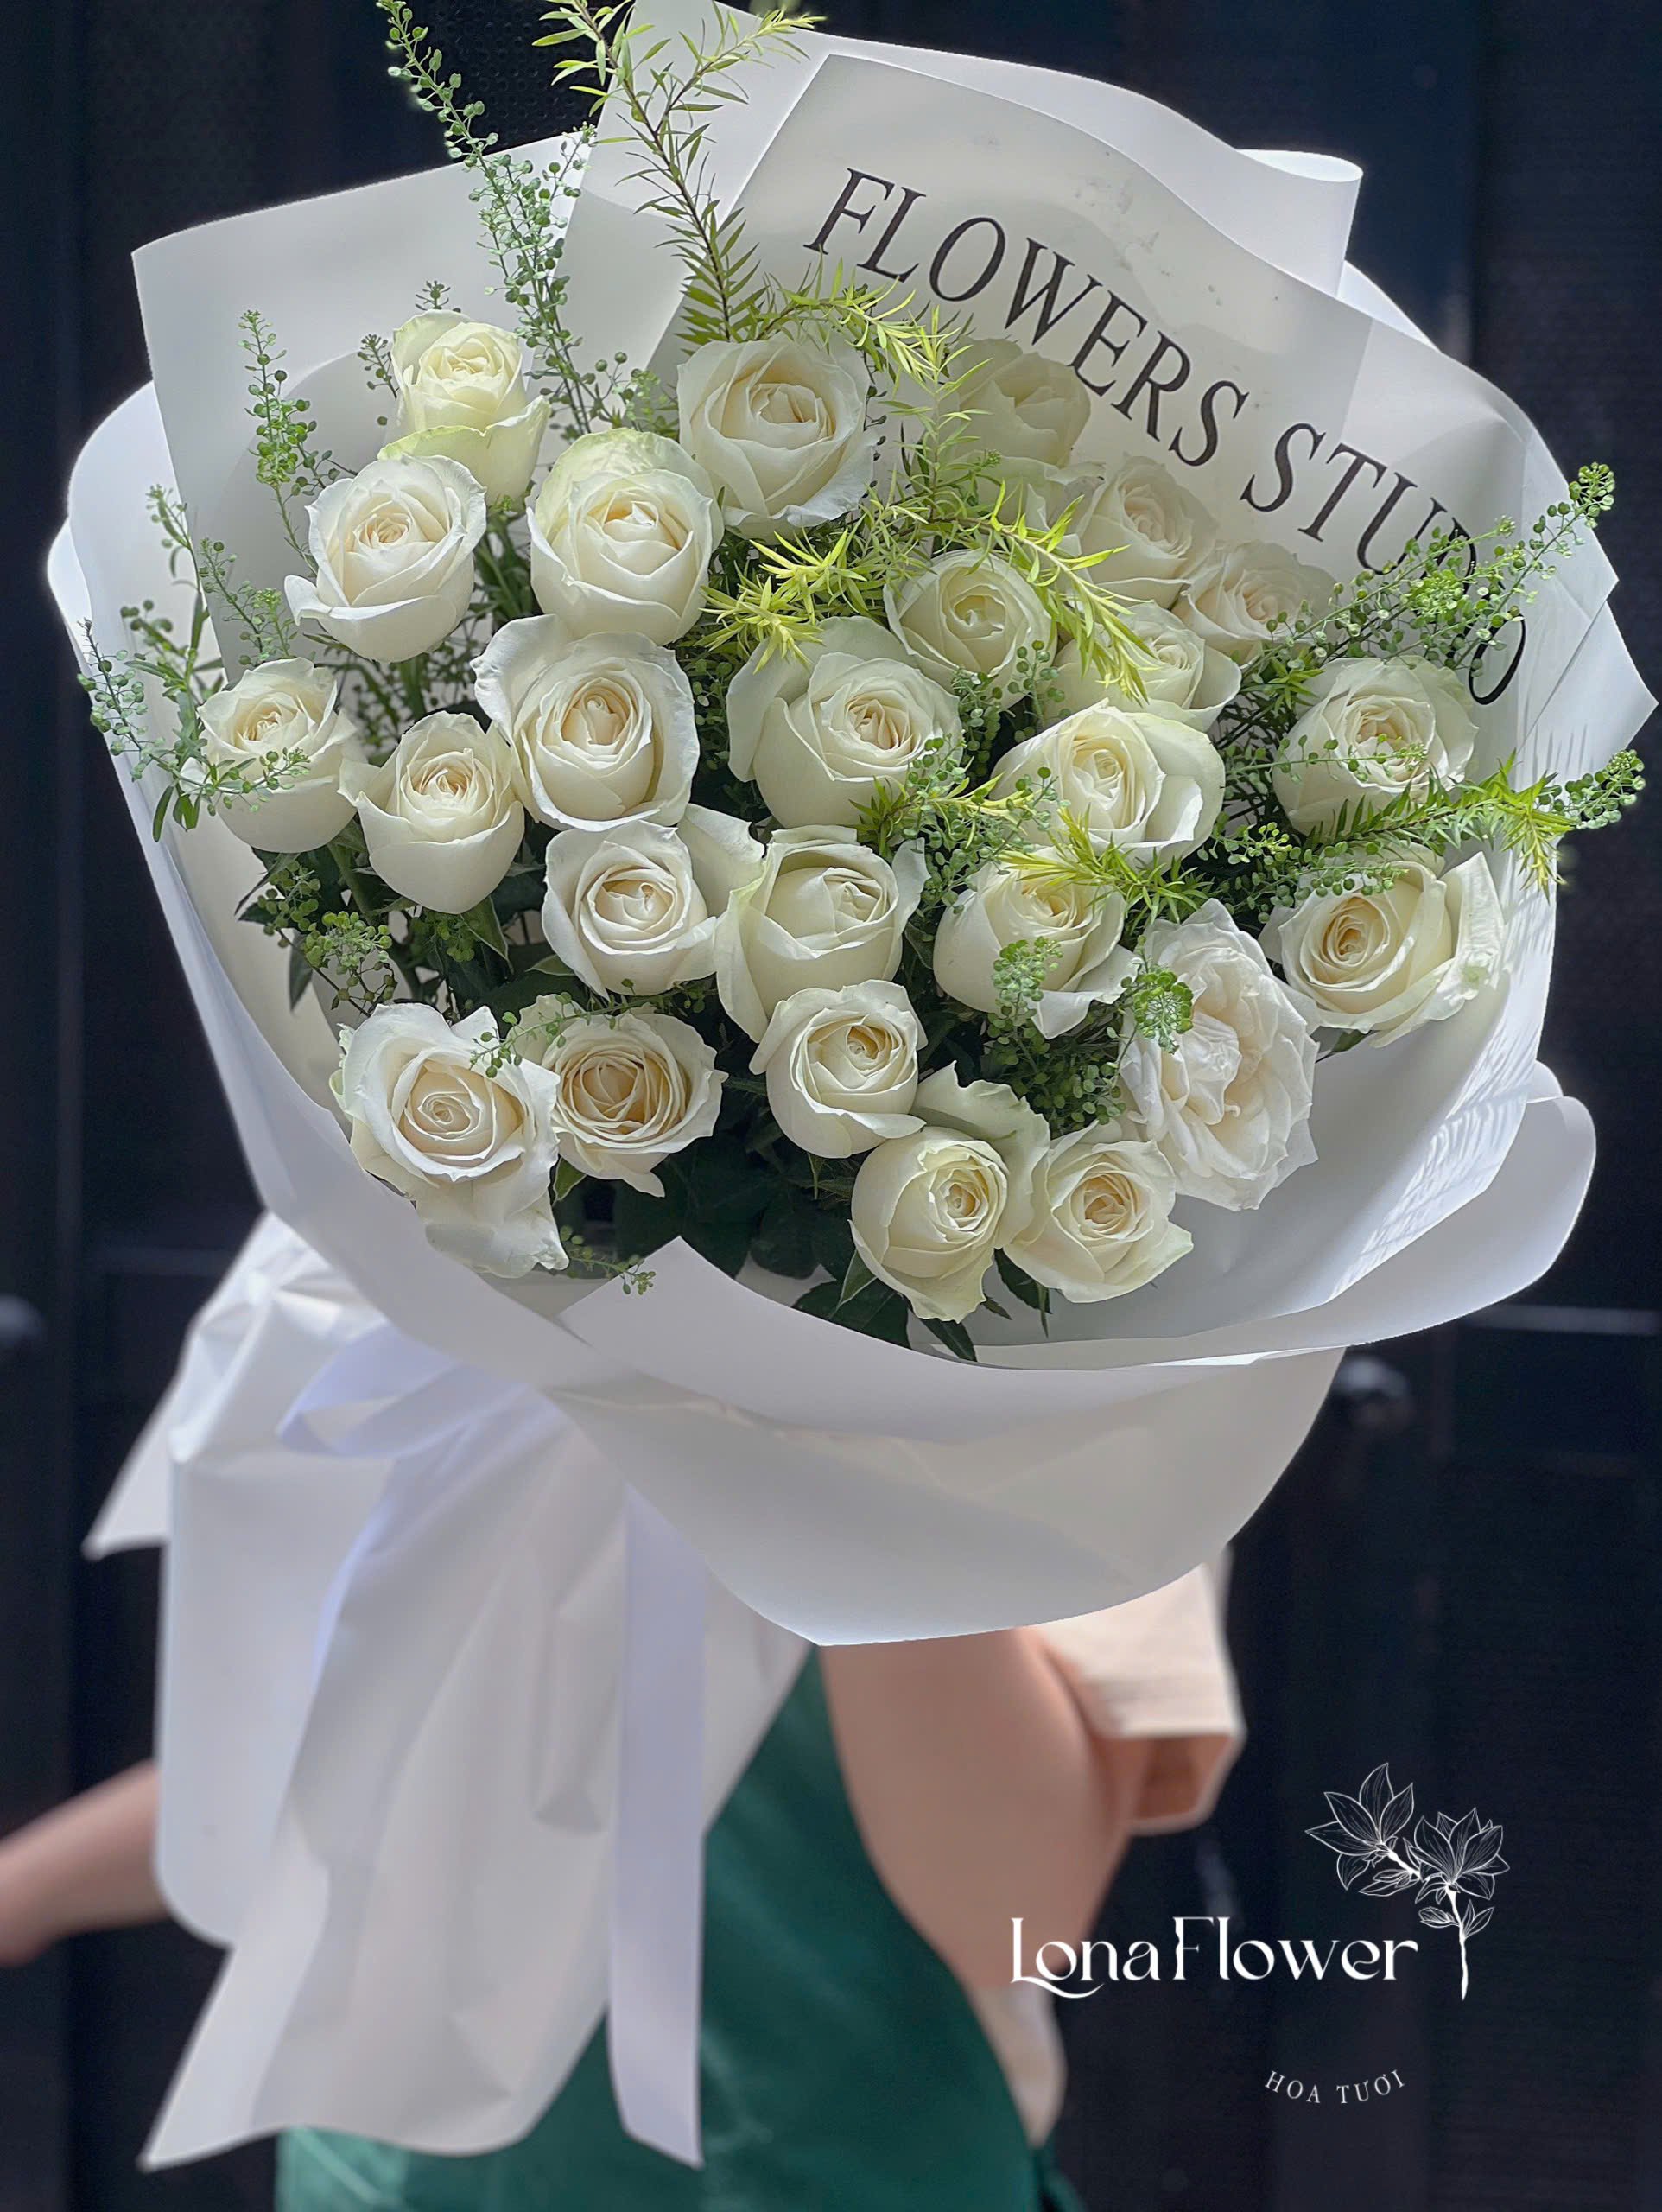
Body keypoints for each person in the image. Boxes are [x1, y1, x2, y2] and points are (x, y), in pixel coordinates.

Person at [0, 1570, 1238, 2209]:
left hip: (830, 2176)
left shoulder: (1077, 1350)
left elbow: (1013, 1914)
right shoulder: (427, 1282)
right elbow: (350, 1756)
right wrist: (27, 1890)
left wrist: (858, 1406)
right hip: (401, 2175)